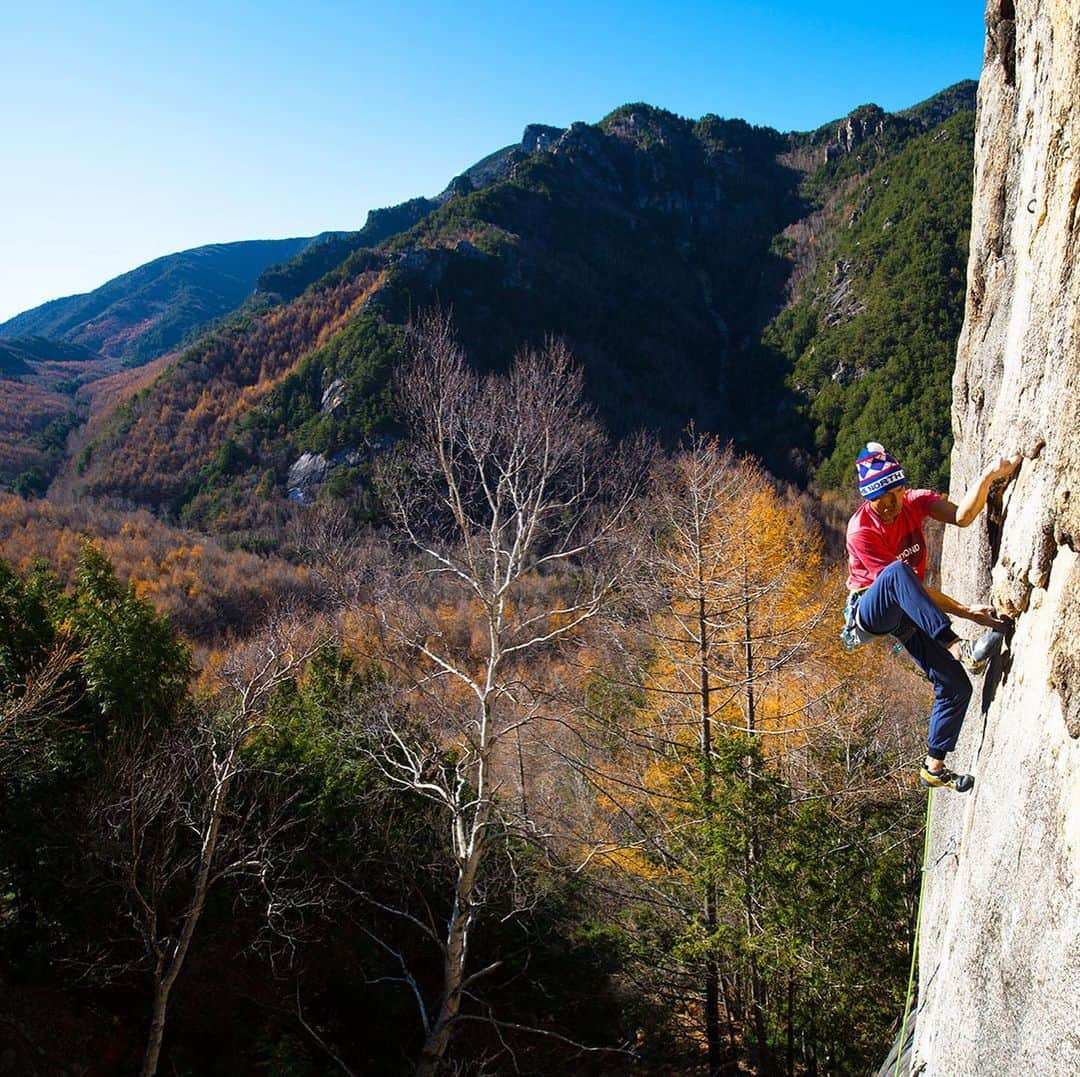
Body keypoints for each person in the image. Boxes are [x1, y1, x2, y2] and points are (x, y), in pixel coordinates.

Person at [844, 442, 1021, 792]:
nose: (893, 505)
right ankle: (958, 647)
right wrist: (966, 614)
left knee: (956, 687)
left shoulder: (915, 501)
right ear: (869, 499)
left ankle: (933, 767)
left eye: (896, 493)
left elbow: (962, 517)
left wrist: (989, 474)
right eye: (883, 500)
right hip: (870, 610)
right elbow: (899, 583)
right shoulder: (861, 530)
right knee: (897, 573)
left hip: (907, 612)